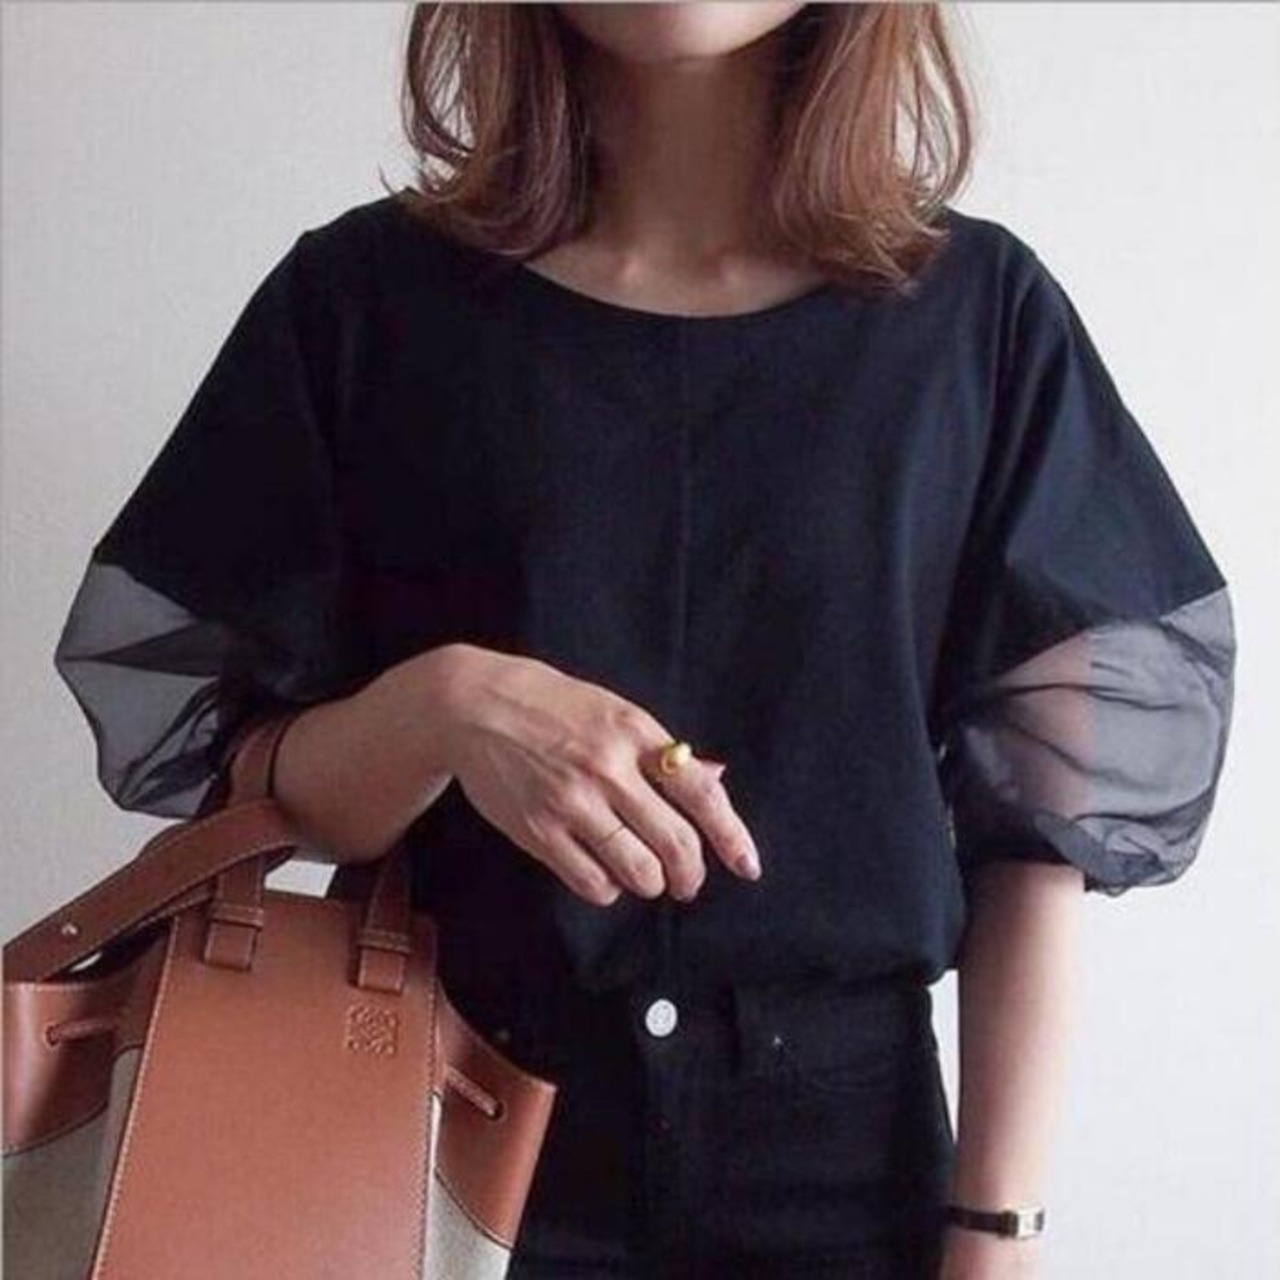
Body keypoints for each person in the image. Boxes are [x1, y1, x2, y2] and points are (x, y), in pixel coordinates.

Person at [50, 4, 1236, 1278]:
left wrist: (995, 1232)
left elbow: (1035, 836)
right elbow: (252, 786)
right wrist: (445, 706)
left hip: (851, 1181)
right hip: (432, 1141)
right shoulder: (363, 303)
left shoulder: (976, 321)